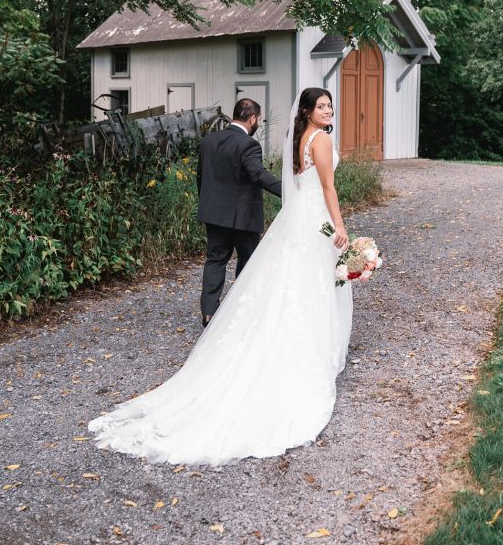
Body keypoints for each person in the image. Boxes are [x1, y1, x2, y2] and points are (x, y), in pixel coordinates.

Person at [88, 87, 353, 467]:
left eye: (331, 105)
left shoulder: (279, 138)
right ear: (306, 112)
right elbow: (318, 186)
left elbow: (209, 176)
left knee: (249, 270)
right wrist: (330, 221)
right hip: (289, 217)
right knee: (289, 276)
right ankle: (294, 343)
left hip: (236, 214)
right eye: (322, 106)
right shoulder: (312, 141)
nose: (328, 110)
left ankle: (213, 312)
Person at [197, 97, 282, 329]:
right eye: (258, 120)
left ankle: (209, 314)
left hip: (214, 214)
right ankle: (241, 311)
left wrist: (207, 204)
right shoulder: (249, 144)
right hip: (243, 217)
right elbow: (258, 174)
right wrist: (288, 191)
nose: (258, 124)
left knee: (215, 260)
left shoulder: (210, 140)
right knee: (248, 263)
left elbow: (201, 178)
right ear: (252, 118)